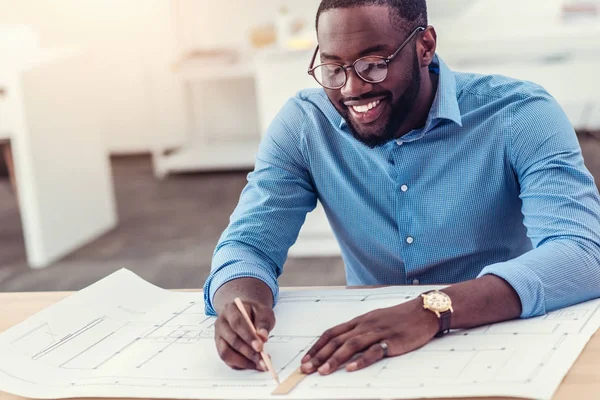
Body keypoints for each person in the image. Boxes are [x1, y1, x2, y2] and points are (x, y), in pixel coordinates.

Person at [203, 0, 600, 376]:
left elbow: (583, 253)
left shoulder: (520, 114)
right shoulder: (306, 126)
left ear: (425, 45)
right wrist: (241, 302)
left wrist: (431, 310)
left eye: (373, 65)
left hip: (499, 338)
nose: (351, 89)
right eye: (333, 68)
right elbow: (248, 245)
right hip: (366, 355)